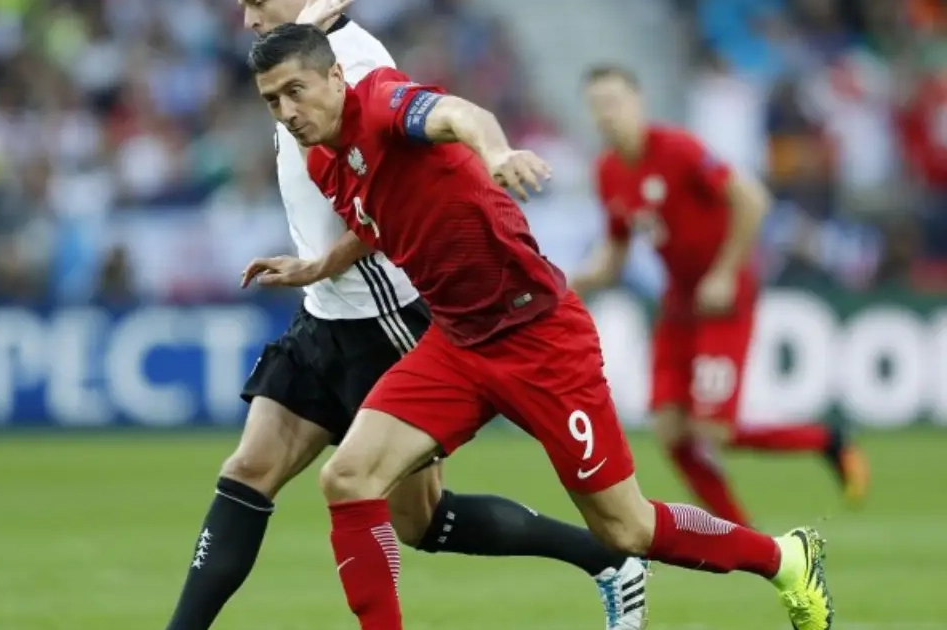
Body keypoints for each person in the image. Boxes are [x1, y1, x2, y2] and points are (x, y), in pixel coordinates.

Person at [245, 22, 834, 630]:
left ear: (335, 77)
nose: (287, 112)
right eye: (272, 100)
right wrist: (319, 266)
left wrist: (496, 153)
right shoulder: (323, 160)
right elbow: (376, 221)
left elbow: (461, 116)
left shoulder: (383, 101)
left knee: (626, 528)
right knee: (347, 477)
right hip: (456, 343)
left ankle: (786, 558)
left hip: (538, 338)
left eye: (296, 91)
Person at [163, 3, 648, 629]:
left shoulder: (355, 61)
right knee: (248, 470)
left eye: (258, 0)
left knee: (420, 520)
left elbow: (394, 193)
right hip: (324, 312)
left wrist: (495, 151)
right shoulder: (289, 60)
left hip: (382, 316)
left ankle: (607, 556)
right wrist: (314, 270)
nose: (247, 15)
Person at [570, 64, 869, 526]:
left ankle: (828, 441)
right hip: (678, 304)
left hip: (724, 300)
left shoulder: (678, 149)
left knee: (714, 430)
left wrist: (726, 272)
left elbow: (752, 199)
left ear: (638, 103)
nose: (606, 114)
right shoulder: (608, 171)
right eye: (596, 106)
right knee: (671, 433)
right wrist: (569, 284)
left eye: (614, 102)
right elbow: (614, 252)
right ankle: (742, 536)